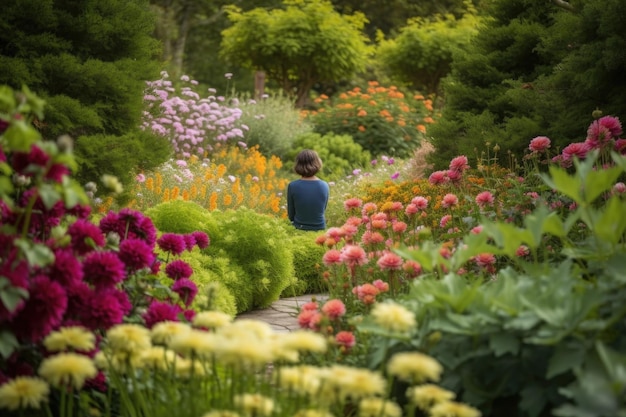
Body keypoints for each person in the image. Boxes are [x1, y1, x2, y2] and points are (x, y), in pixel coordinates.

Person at [287, 149, 329, 231]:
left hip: (299, 229)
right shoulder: (324, 185)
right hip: (320, 229)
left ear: (298, 165)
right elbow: (322, 210)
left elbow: (291, 216)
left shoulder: (293, 186)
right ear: (317, 163)